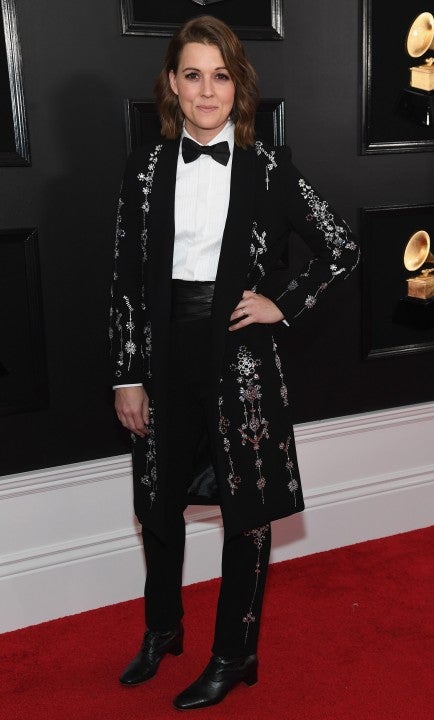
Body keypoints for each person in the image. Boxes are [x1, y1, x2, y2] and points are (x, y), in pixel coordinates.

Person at [109, 14, 359, 711]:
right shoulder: (145, 169)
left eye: (220, 76)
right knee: (158, 503)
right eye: (193, 75)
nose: (206, 90)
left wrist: (283, 302)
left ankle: (234, 652)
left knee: (247, 512)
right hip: (162, 356)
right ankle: (163, 629)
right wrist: (127, 374)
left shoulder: (268, 167)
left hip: (241, 361)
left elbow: (341, 248)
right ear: (172, 84)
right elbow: (125, 278)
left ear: (238, 86)